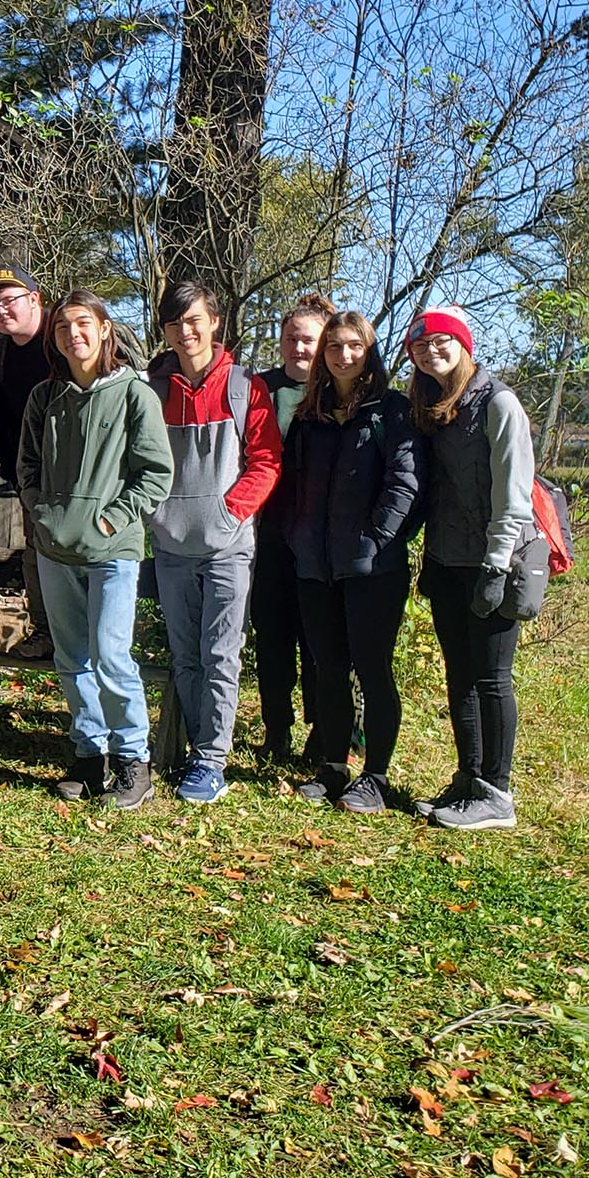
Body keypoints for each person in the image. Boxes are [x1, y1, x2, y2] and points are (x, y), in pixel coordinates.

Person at [17, 289, 173, 809]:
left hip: (112, 550)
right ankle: (88, 755)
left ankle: (134, 761)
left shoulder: (134, 394)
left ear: (105, 329)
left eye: (83, 324)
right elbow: (28, 469)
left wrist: (112, 517)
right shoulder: (46, 398)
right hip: (55, 549)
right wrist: (42, 515)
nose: (73, 335)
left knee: (110, 655)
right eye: (62, 328)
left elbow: (156, 473)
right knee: (72, 658)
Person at [146, 280, 282, 805]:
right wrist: (158, 515)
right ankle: (193, 745)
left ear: (215, 322)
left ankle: (210, 760)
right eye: (175, 324)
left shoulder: (246, 387)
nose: (186, 332)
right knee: (184, 655)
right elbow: (141, 462)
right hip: (172, 548)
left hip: (229, 546)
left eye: (194, 320)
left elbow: (266, 461)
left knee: (220, 654)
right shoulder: (154, 391)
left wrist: (230, 511)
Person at [282, 312, 421, 812]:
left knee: (372, 668)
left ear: (369, 352)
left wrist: (375, 541)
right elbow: (293, 486)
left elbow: (405, 485)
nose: (343, 356)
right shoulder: (309, 415)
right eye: (335, 347)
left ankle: (376, 777)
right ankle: (333, 766)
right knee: (328, 669)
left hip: (373, 569)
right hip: (315, 564)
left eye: (353, 347)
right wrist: (297, 537)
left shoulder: (391, 411)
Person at [406, 305, 537, 831]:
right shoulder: (433, 403)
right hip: (448, 559)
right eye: (420, 344)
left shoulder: (498, 403)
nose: (431, 350)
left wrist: (496, 565)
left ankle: (496, 793)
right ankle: (469, 780)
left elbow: (515, 495)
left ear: (464, 344)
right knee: (459, 676)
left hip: (495, 560)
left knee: (490, 677)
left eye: (441, 340)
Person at [253, 293, 332, 761]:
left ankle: (324, 731)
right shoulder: (261, 389)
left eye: (309, 340)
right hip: (271, 536)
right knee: (274, 638)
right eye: (291, 339)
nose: (299, 348)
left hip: (323, 540)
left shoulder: (341, 390)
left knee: (319, 640)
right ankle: (276, 729)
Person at [0, 265, 55, 661]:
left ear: (34, 299)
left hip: (81, 474)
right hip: (32, 476)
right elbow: (0, 416)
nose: (0, 311)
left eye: (8, 301)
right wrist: (17, 472)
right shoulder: (0, 353)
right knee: (37, 554)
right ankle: (43, 630)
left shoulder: (61, 340)